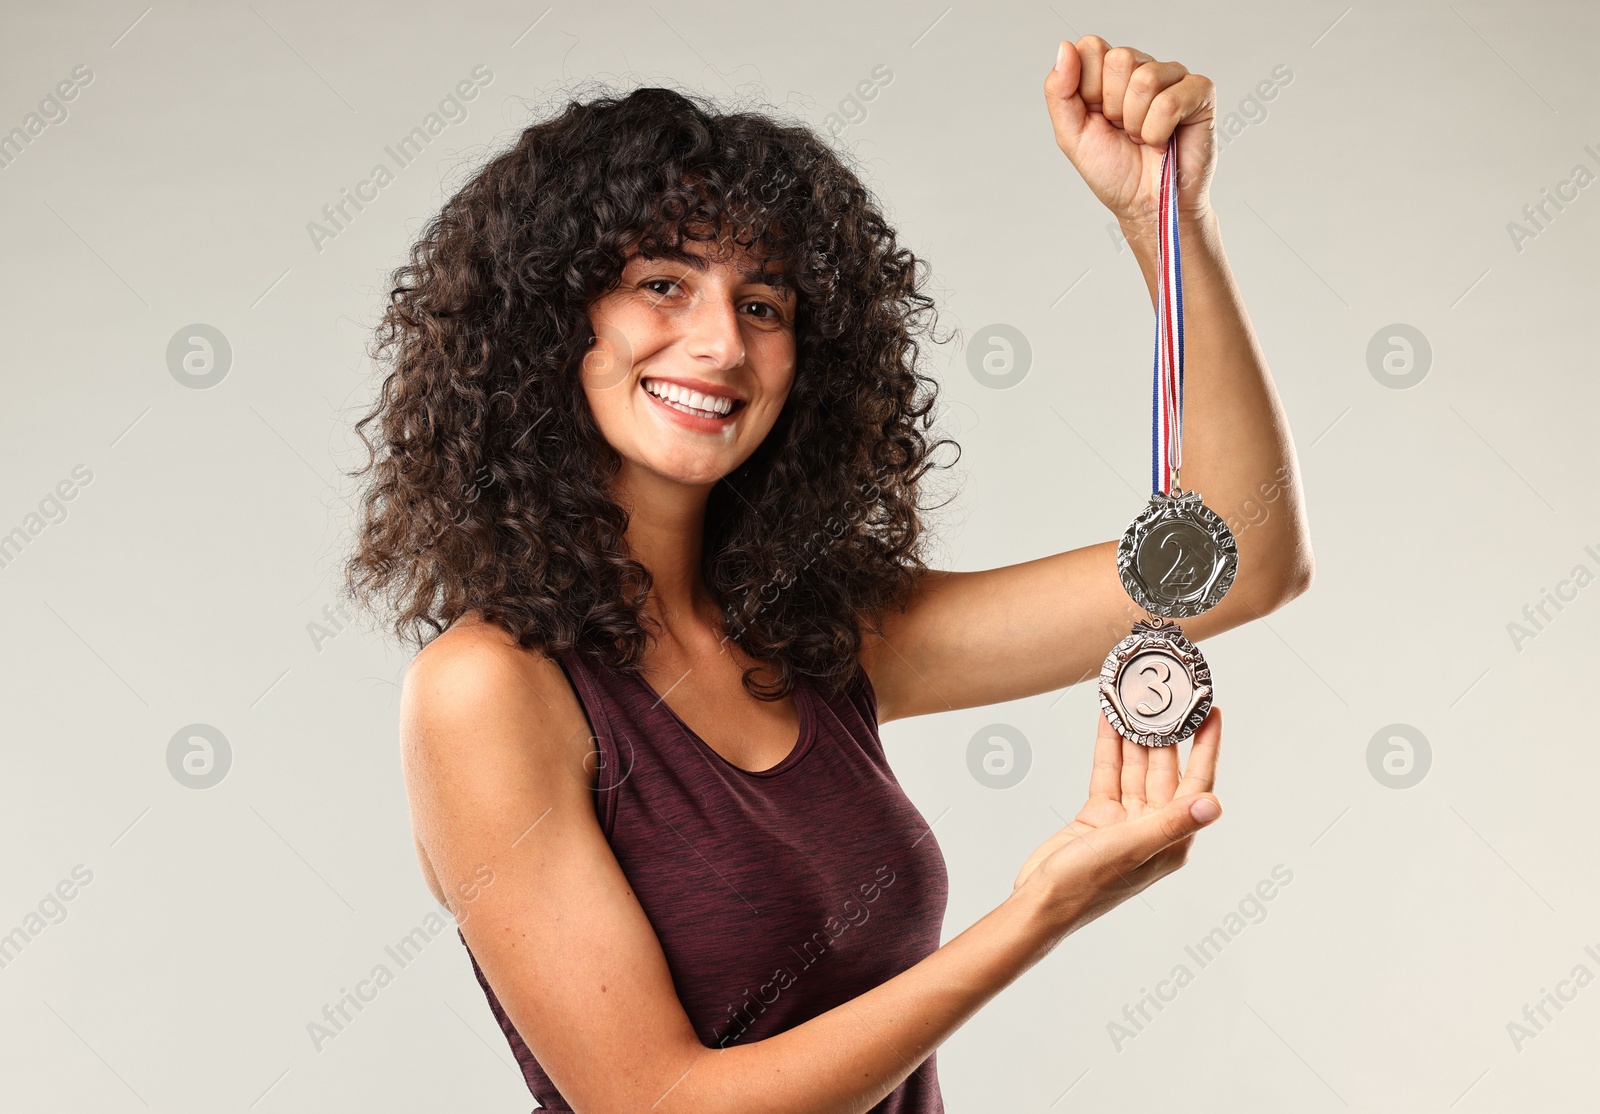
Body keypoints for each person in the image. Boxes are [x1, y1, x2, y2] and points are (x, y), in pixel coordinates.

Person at [342, 34, 1313, 1113]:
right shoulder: (490, 688)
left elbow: (1240, 554)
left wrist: (1162, 218)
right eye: (662, 284)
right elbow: (660, 1104)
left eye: (763, 305)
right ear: (549, 320)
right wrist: (1036, 913)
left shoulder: (812, 632)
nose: (718, 345)